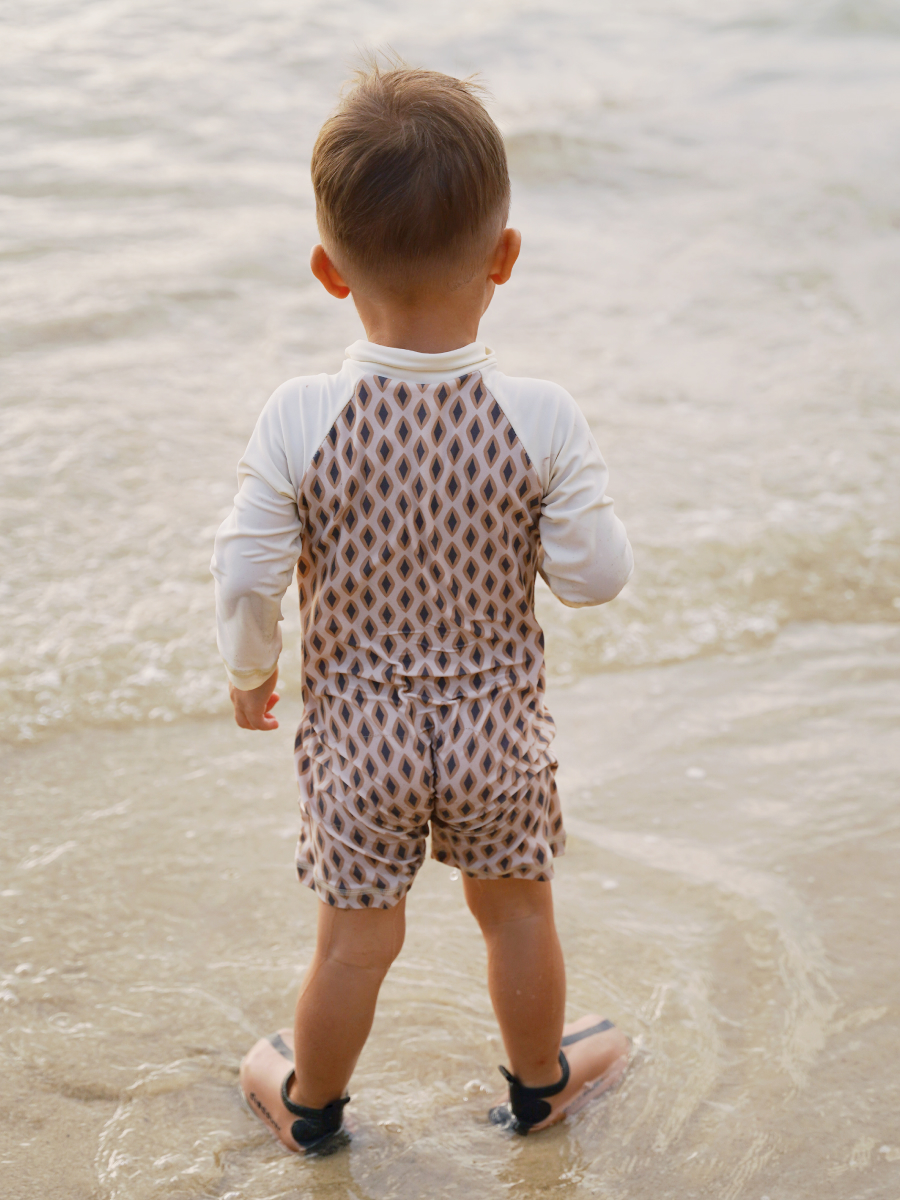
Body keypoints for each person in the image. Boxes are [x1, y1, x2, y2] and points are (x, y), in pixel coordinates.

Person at [211, 63, 634, 1156]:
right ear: (504, 257)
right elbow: (595, 577)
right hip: (495, 722)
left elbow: (247, 571)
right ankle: (539, 1086)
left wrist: (252, 672)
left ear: (325, 269)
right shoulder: (540, 416)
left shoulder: (300, 415)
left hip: (358, 732)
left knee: (354, 942)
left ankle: (310, 1108)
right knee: (518, 912)